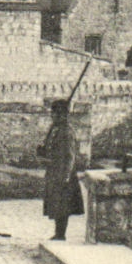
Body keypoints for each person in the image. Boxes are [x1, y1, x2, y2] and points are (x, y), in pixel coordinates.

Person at [43, 99, 85, 240]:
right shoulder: (56, 130)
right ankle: (58, 233)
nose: (53, 117)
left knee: (63, 205)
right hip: (55, 172)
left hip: (63, 173)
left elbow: (70, 156)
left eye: (55, 114)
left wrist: (66, 175)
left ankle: (61, 234)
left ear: (62, 115)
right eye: (52, 114)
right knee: (56, 203)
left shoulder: (66, 132)